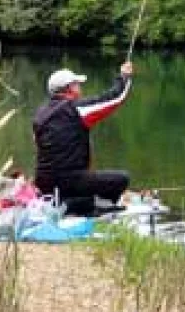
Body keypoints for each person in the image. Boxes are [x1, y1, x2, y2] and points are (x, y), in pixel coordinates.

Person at [32, 61, 135, 216]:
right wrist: (124, 76)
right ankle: (95, 209)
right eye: (77, 84)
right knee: (121, 179)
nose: (80, 88)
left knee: (83, 185)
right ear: (69, 89)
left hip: (43, 182)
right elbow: (114, 98)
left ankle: (72, 204)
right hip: (69, 180)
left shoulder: (40, 113)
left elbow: (37, 144)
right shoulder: (75, 110)